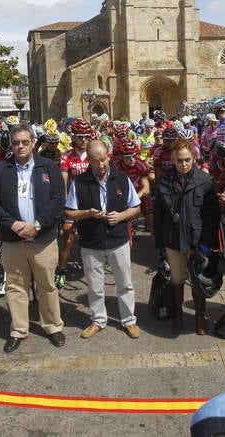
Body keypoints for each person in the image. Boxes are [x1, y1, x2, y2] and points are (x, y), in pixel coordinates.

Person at [0, 124, 66, 353]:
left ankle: (52, 326)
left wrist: (37, 225)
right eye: (16, 142)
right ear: (11, 144)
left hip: (43, 239)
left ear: (32, 143)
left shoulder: (48, 167)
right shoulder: (2, 170)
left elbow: (58, 200)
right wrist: (12, 224)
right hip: (13, 240)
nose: (20, 146)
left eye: (25, 142)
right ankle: (18, 330)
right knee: (16, 287)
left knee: (47, 286)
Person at [64, 140, 141, 340]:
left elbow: (136, 207)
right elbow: (70, 212)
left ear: (109, 156)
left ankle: (129, 320)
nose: (101, 164)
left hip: (118, 240)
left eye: (104, 159)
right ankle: (98, 320)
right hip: (91, 242)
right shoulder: (79, 182)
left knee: (125, 283)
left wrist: (122, 217)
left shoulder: (122, 179)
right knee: (94, 285)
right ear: (89, 160)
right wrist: (87, 213)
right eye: (96, 161)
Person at [153, 139, 219, 335]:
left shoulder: (204, 181)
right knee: (177, 279)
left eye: (187, 160)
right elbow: (159, 216)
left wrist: (207, 244)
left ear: (194, 158)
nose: (183, 164)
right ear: (173, 160)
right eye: (179, 160)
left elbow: (212, 216)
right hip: (173, 241)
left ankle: (200, 316)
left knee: (198, 280)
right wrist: (159, 246)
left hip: (197, 240)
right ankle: (179, 315)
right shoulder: (165, 182)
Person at [58, 119, 92, 288]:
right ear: (73, 137)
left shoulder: (94, 153)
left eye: (86, 136)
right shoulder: (66, 155)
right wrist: (65, 203)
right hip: (73, 201)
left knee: (91, 237)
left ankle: (92, 268)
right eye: (80, 136)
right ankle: (62, 269)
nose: (84, 140)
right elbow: (64, 179)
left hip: (91, 200)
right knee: (68, 237)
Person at [114, 139, 153, 232]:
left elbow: (146, 189)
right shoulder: (115, 166)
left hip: (141, 195)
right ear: (121, 157)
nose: (132, 159)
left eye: (134, 156)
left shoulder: (140, 165)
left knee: (151, 223)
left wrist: (134, 198)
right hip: (124, 196)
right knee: (126, 227)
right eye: (128, 157)